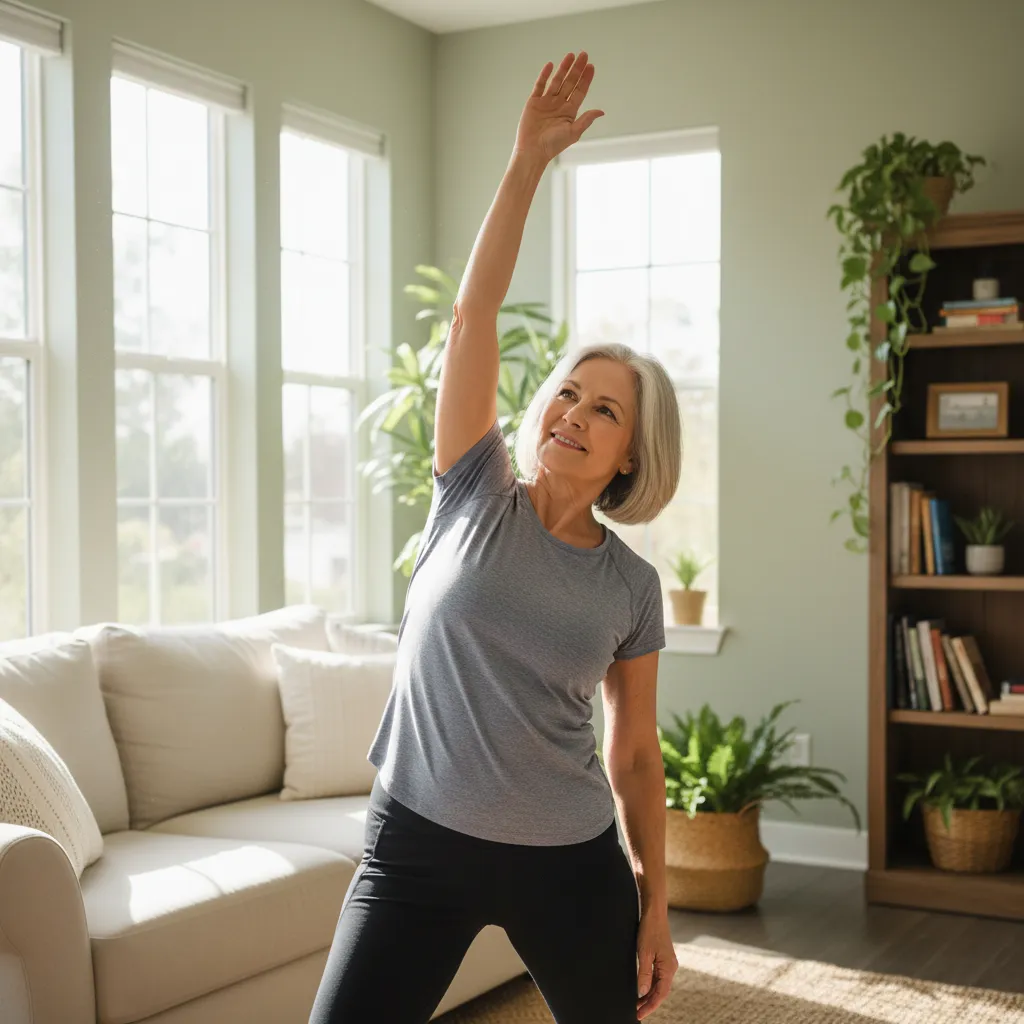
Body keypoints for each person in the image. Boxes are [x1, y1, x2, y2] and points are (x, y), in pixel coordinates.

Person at [309, 50, 682, 1024]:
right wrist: (526, 164)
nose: (571, 413)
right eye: (567, 390)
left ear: (631, 458)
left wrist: (658, 901)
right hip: (415, 844)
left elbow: (635, 753)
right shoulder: (473, 490)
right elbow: (473, 315)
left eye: (604, 411)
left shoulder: (630, 588)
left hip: (567, 860)